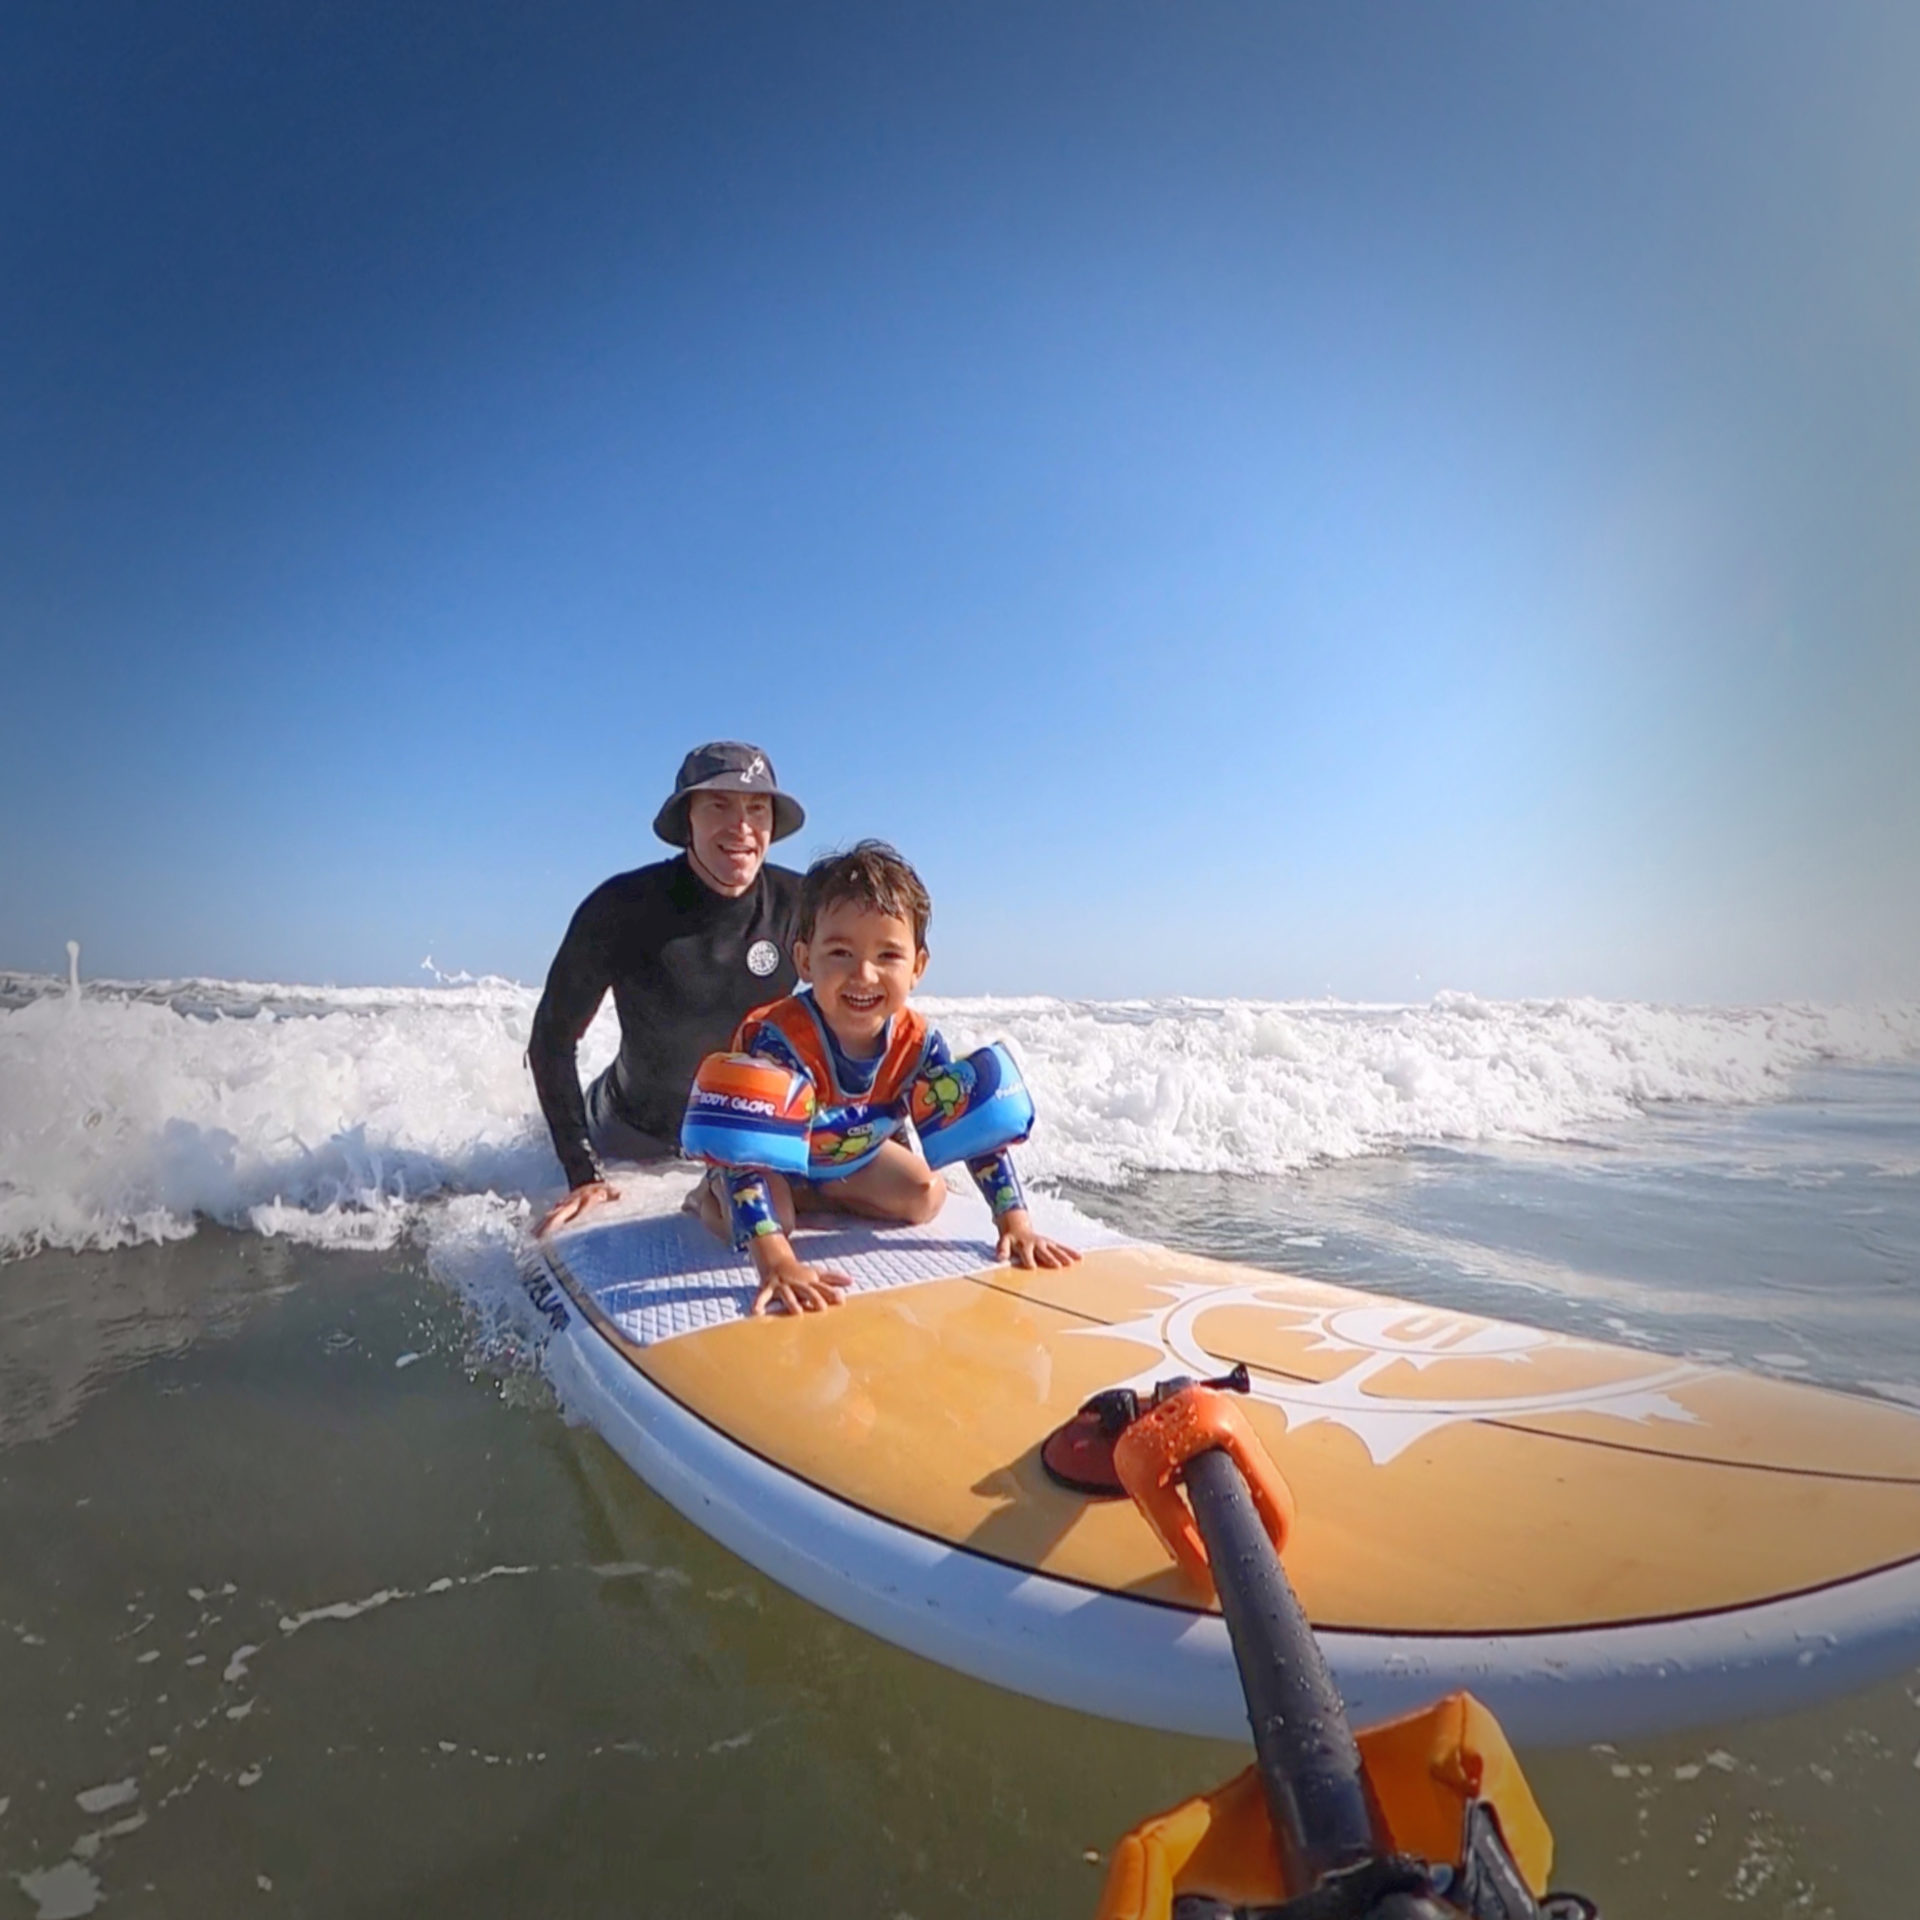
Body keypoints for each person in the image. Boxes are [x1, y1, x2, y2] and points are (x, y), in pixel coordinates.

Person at [687, 840, 1079, 1316]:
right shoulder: (780, 1041)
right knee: (777, 1221)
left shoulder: (918, 1044)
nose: (864, 975)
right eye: (840, 953)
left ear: (917, 967)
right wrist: (776, 1260)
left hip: (840, 1164)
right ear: (805, 960)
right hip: (762, 1162)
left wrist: (1014, 1222)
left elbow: (972, 1131)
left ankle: (818, 1191)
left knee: (924, 1195)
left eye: (888, 956)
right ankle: (708, 1199)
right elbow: (744, 1153)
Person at [529, 741, 807, 1235]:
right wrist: (583, 1172)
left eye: (756, 808)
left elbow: (862, 1012)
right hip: (630, 1138)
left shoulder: (802, 904)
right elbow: (552, 1039)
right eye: (719, 804)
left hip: (743, 1131)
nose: (741, 825)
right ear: (687, 821)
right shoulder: (621, 908)